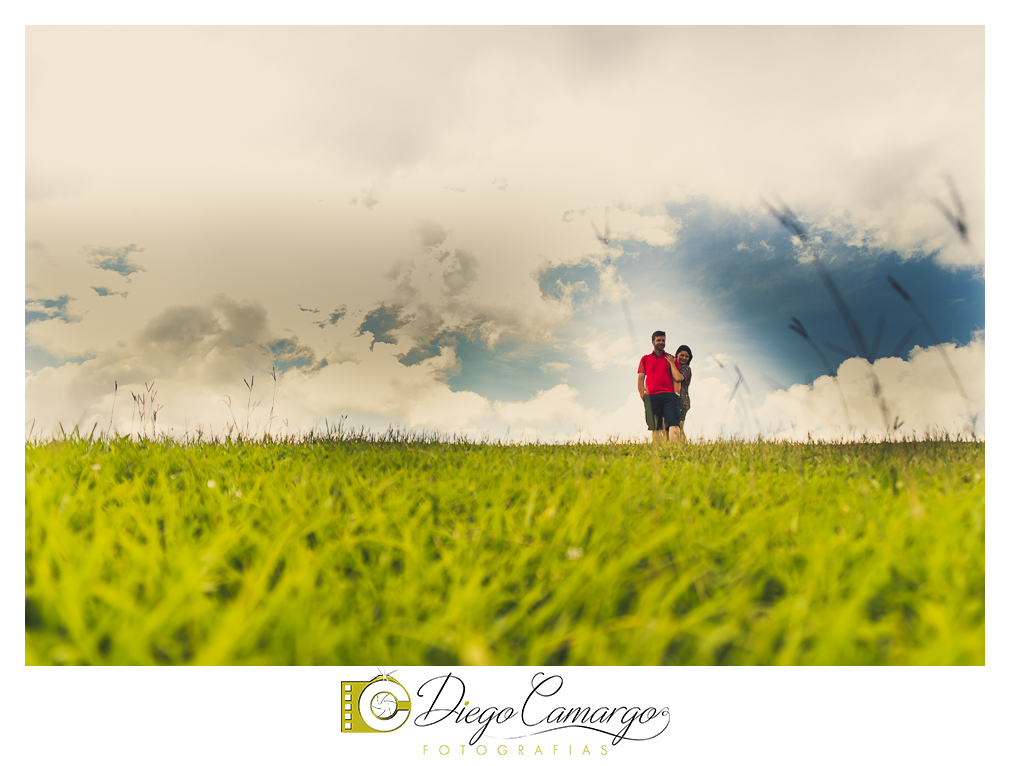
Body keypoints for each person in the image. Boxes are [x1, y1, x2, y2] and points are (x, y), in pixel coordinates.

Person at [637, 330, 684, 443]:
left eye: (663, 340)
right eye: (658, 340)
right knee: (655, 427)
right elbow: (640, 378)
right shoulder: (645, 359)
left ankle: (675, 450)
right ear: (653, 342)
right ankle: (658, 451)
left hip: (669, 396)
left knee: (674, 423)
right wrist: (643, 396)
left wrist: (676, 394)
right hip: (651, 396)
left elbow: (676, 379)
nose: (661, 342)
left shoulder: (671, 358)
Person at [673, 344, 693, 439]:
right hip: (672, 399)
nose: (684, 358)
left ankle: (684, 447)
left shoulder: (686, 369)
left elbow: (678, 378)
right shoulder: (674, 367)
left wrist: (672, 364)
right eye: (682, 355)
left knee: (679, 426)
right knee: (671, 426)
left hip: (682, 400)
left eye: (687, 356)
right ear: (677, 355)